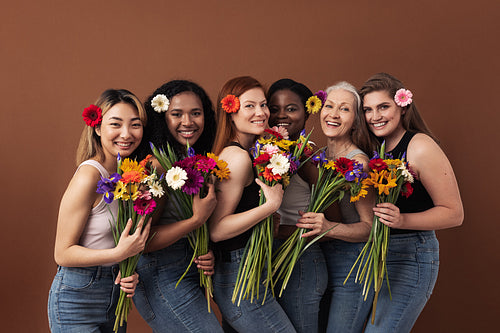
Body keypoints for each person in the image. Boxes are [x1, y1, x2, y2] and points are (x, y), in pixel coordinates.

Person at [353, 72, 463, 332]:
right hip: (374, 254)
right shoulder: (373, 147)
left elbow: (454, 213)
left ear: (402, 107)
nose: (375, 116)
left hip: (411, 254)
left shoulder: (419, 146)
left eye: (383, 107)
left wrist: (403, 220)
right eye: (368, 109)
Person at [48, 89, 151, 332]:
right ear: (97, 128)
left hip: (113, 296)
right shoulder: (89, 175)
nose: (126, 134)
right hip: (77, 298)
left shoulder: (128, 177)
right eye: (115, 124)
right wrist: (118, 254)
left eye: (135, 125)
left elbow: (113, 240)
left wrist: (126, 269)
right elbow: (62, 253)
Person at [132, 80, 222, 333]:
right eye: (177, 114)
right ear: (162, 118)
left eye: (196, 113)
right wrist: (196, 221)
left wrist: (204, 251)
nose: (188, 122)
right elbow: (144, 241)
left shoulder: (192, 159)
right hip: (160, 276)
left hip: (185, 269)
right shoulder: (157, 167)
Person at [209, 76, 296, 332]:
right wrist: (268, 207)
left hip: (247, 270)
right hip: (238, 276)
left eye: (263, 104)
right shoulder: (237, 158)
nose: (261, 112)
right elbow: (217, 229)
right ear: (230, 113)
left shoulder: (247, 153)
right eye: (249, 106)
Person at [294, 82, 375, 333]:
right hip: (320, 263)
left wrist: (328, 228)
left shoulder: (357, 164)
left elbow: (369, 229)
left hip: (352, 266)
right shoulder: (318, 156)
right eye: (329, 106)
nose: (333, 114)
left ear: (356, 120)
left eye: (344, 109)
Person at [267, 78, 328, 333]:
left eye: (291, 109)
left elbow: (330, 225)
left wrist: (280, 232)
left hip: (301, 260)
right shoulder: (264, 151)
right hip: (271, 256)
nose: (281, 115)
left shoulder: (308, 158)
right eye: (274, 108)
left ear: (307, 113)